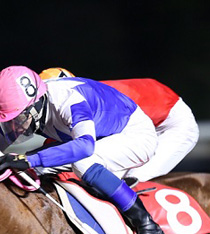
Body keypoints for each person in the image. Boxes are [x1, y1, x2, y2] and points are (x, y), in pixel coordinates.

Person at [0, 65, 166, 234]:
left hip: (136, 135)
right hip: (105, 137)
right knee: (35, 164)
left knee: (80, 162)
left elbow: (85, 147)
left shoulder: (68, 100)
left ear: (34, 107)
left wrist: (28, 160)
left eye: (17, 119)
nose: (14, 127)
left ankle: (149, 227)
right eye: (8, 121)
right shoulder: (33, 106)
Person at [40, 68, 199, 182]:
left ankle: (145, 219)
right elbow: (55, 146)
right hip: (146, 120)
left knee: (133, 181)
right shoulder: (75, 98)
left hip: (173, 124)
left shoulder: (77, 101)